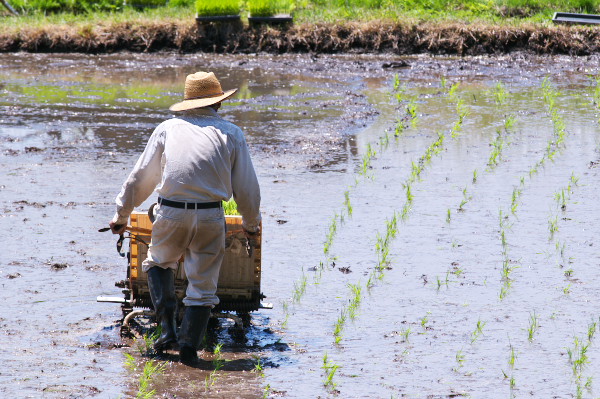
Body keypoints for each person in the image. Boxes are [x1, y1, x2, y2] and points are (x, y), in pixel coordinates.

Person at [108, 71, 261, 365]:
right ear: (218, 104)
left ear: (188, 103)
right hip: (210, 216)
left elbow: (141, 179)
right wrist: (250, 225)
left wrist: (121, 215)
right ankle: (190, 346)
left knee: (157, 261)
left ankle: (167, 334)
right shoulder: (231, 133)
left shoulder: (168, 129)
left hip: (171, 212)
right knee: (203, 286)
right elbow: (247, 188)